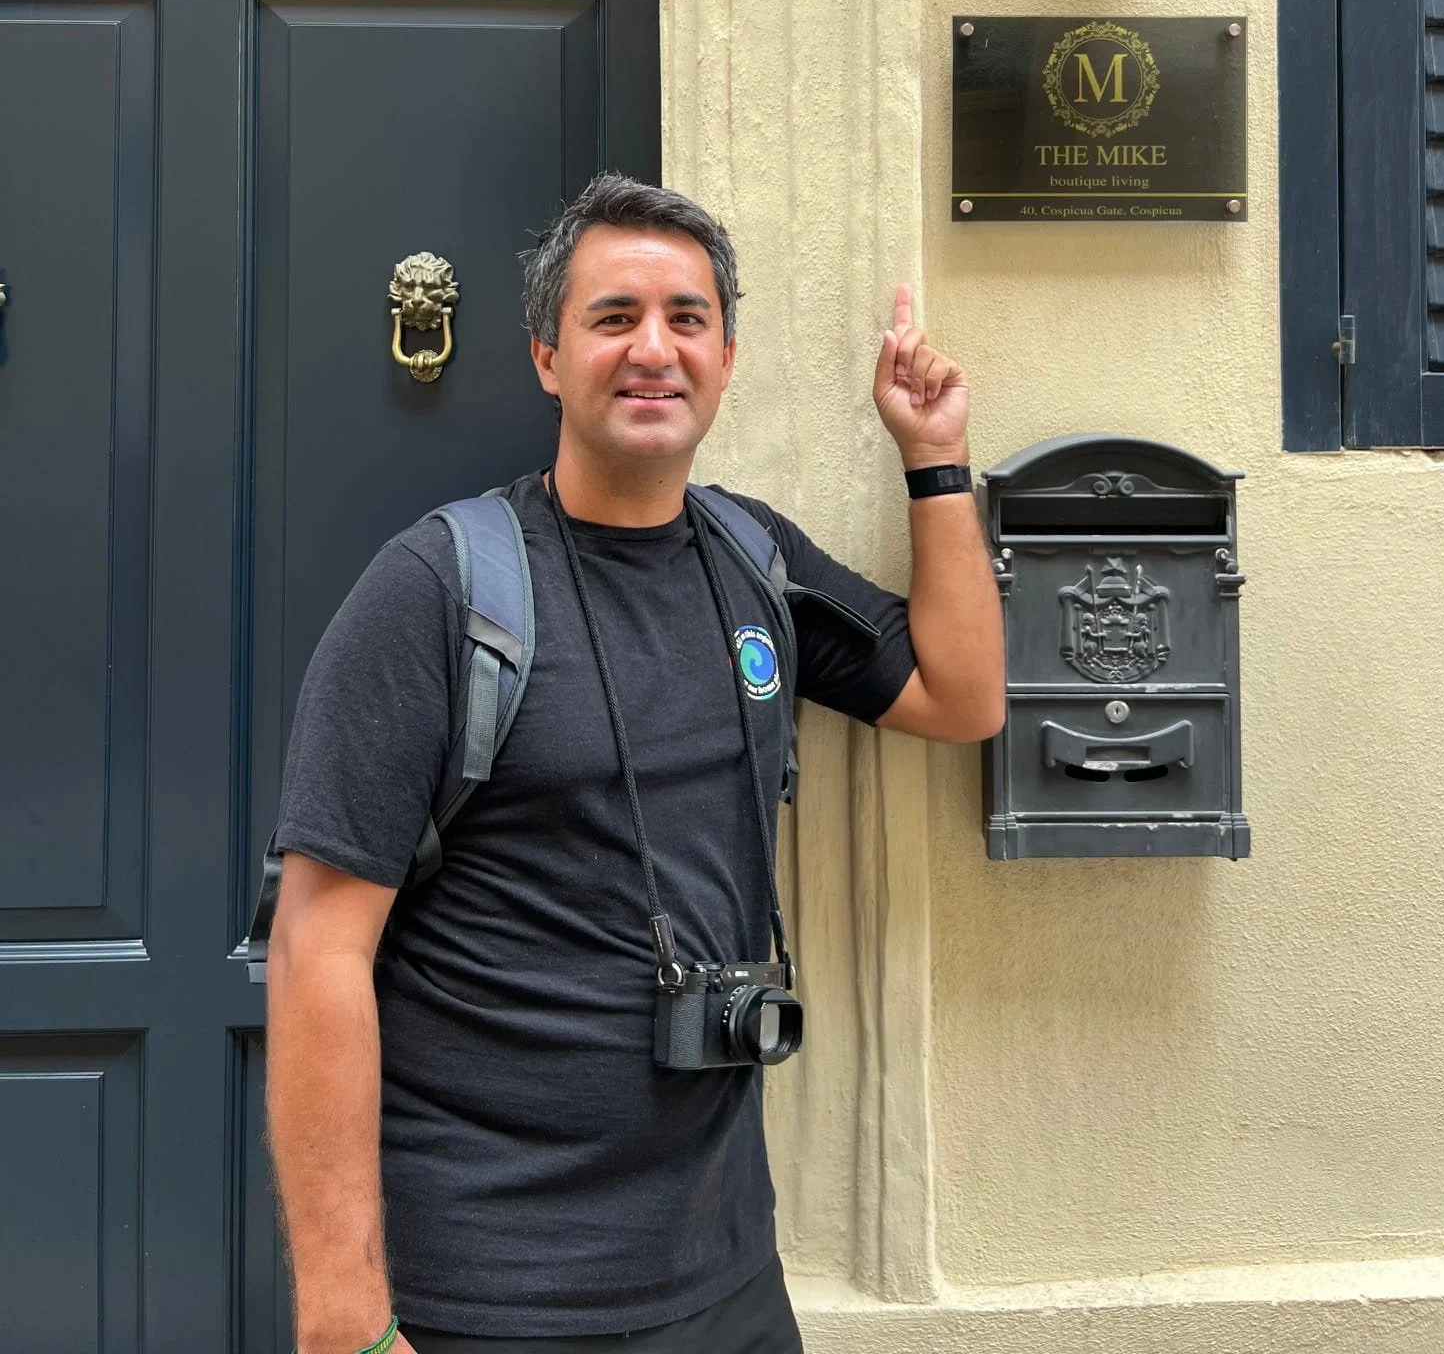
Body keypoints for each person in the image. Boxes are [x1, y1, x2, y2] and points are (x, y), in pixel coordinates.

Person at [266, 175, 1004, 1354]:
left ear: (725, 355)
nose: (653, 349)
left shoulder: (754, 556)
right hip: (492, 1293)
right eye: (613, 318)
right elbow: (317, 946)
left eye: (687, 318)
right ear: (548, 357)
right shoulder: (439, 588)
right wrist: (345, 1319)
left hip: (725, 1280)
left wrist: (936, 459)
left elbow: (960, 697)